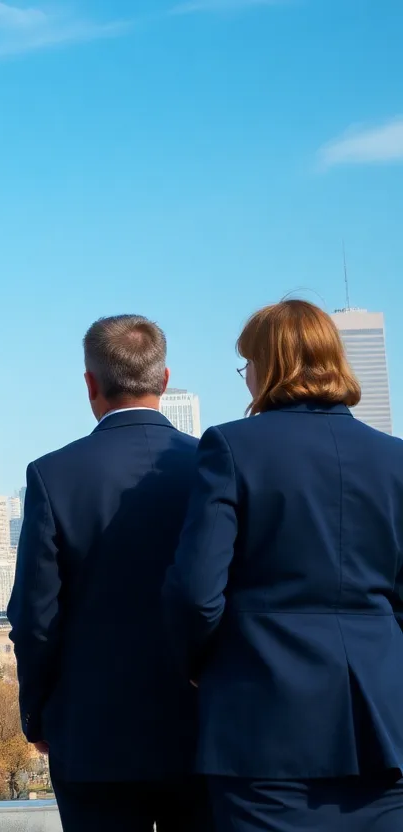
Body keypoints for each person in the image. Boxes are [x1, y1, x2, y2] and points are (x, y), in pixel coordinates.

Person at [163, 299, 403, 830]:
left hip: (262, 721)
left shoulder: (230, 447)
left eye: (247, 363)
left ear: (267, 368)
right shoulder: (396, 458)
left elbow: (197, 592)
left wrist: (200, 667)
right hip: (384, 725)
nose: (246, 377)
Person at [8, 314, 209, 831]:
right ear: (164, 380)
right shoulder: (215, 466)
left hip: (93, 732)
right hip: (202, 727)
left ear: (90, 384)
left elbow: (35, 615)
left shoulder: (52, 475)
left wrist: (37, 710)